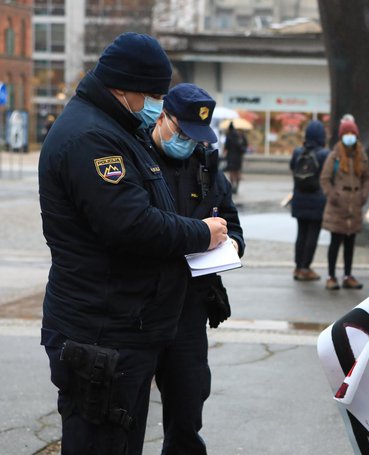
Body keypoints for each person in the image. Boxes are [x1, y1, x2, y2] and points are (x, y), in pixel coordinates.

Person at [38, 33, 227, 454]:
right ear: (122, 87)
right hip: (101, 330)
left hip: (127, 326)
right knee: (101, 443)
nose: (158, 104)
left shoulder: (117, 131)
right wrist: (202, 233)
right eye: (154, 94)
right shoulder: (92, 138)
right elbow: (131, 225)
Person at [146, 83, 245, 453]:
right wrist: (197, 235)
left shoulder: (205, 165)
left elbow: (230, 220)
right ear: (163, 118)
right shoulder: (137, 157)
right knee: (127, 412)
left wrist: (233, 243)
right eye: (183, 131)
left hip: (189, 307)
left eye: (196, 135)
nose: (187, 141)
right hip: (142, 304)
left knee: (188, 406)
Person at [319, 118, 369, 290]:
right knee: (335, 243)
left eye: (352, 134)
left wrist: (364, 194)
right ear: (341, 136)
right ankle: (331, 276)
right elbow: (325, 179)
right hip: (338, 207)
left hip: (354, 205)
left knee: (350, 243)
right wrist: (333, 195)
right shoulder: (334, 156)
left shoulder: (361, 156)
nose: (350, 137)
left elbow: (366, 178)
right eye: (346, 133)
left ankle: (348, 275)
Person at [290, 120, 330, 281]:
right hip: (317, 199)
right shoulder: (325, 154)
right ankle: (306, 268)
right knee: (312, 234)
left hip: (299, 197)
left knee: (301, 233)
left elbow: (293, 168)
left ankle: (298, 267)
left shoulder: (297, 152)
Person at [223, 121, 248, 194]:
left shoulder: (229, 136)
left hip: (230, 156)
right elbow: (245, 145)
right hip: (238, 156)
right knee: (237, 171)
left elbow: (226, 146)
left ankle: (232, 185)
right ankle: (237, 185)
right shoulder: (240, 136)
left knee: (231, 171)